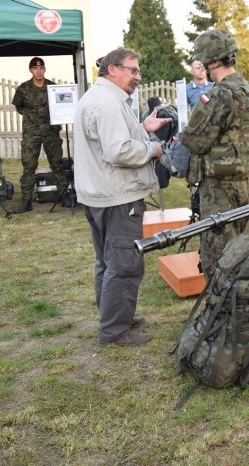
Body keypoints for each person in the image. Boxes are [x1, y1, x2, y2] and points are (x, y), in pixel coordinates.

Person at [74, 48, 172, 347]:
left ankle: (113, 315)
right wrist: (153, 148)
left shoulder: (98, 98)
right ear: (112, 69)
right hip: (118, 197)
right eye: (133, 70)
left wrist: (143, 129)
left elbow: (111, 139)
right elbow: (118, 151)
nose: (137, 77)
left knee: (107, 260)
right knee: (124, 263)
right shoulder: (108, 103)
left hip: (100, 194)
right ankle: (114, 330)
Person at [180, 29, 249, 277]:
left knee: (217, 254)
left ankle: (223, 311)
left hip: (218, 189)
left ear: (213, 61)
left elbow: (195, 140)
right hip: (244, 185)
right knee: (243, 249)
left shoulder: (218, 94)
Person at [11, 56, 70, 213]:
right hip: (32, 133)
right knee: (29, 166)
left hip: (50, 132)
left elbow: (60, 105)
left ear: (45, 69)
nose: (38, 71)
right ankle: (26, 201)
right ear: (31, 70)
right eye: (35, 68)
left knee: (57, 165)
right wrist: (31, 117)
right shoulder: (23, 89)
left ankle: (63, 197)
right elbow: (19, 106)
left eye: (41, 68)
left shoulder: (52, 88)